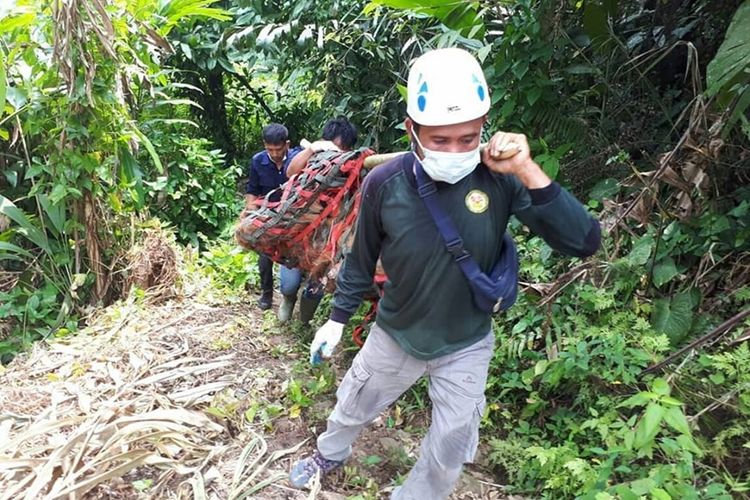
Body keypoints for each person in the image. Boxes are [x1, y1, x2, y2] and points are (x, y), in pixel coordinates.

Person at [288, 48, 601, 499]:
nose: (456, 151)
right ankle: (330, 452)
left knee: (452, 443)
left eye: (468, 138)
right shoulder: (385, 183)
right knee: (354, 403)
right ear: (411, 129)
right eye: (440, 140)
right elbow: (361, 259)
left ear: (484, 129)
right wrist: (336, 321)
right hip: (397, 332)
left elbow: (583, 241)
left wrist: (525, 168)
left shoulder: (501, 179)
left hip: (467, 341)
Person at [277, 116, 359, 325]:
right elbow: (290, 172)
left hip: (328, 239)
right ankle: (288, 299)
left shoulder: (353, 169)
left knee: (316, 287)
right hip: (300, 232)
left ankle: (304, 322)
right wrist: (313, 149)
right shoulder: (312, 160)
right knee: (289, 284)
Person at [244, 123, 302, 310]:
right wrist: (251, 212)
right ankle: (267, 293)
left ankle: (292, 291)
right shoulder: (257, 161)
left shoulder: (298, 158)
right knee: (264, 255)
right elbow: (252, 190)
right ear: (264, 145)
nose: (275, 154)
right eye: (270, 149)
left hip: (293, 216)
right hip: (267, 213)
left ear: (287, 144)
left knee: (294, 254)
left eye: (278, 149)